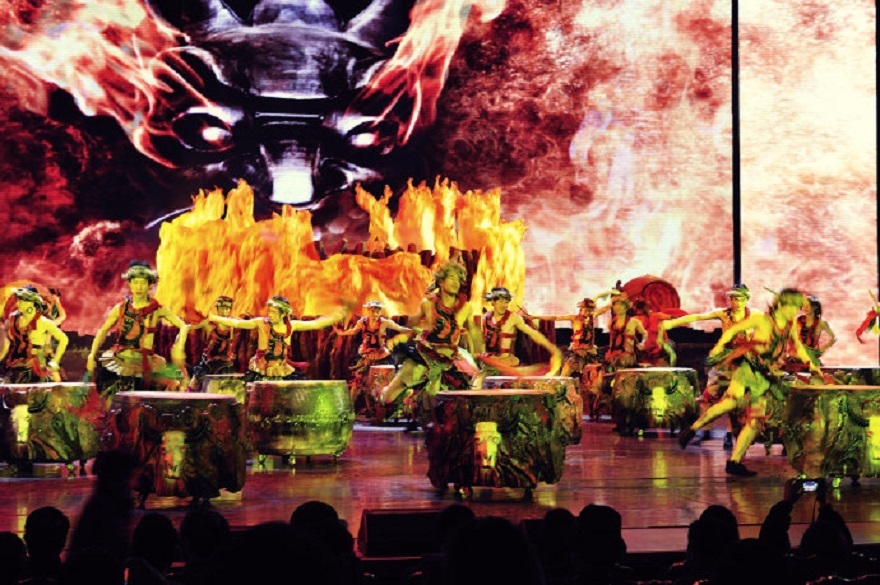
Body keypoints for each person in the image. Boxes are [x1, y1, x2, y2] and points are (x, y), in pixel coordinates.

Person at [679, 288, 824, 476]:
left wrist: (811, 365)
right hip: (747, 369)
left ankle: (734, 461)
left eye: (797, 307)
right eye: (793, 306)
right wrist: (719, 347)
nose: (796, 311)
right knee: (731, 402)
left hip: (764, 376)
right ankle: (692, 429)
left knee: (755, 422)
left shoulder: (789, 325)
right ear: (782, 305)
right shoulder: (762, 320)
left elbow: (797, 346)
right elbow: (734, 330)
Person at [379, 260, 483, 423]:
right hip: (424, 355)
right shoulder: (427, 304)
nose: (456, 282)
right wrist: (400, 340)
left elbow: (474, 332)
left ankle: (431, 412)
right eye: (451, 278)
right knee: (387, 398)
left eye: (458, 279)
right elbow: (411, 328)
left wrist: (479, 351)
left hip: (450, 359)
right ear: (440, 281)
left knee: (473, 381)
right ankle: (406, 399)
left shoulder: (466, 307)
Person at [660, 283, 756, 448]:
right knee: (709, 396)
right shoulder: (724, 314)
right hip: (724, 361)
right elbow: (698, 317)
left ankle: (729, 434)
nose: (736, 302)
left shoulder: (755, 316)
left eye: (740, 299)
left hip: (743, 362)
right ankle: (705, 429)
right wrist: (672, 324)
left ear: (746, 299)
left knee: (735, 400)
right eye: (734, 299)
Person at [86, 261, 188, 396]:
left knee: (160, 391)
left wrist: (179, 346)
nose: (139, 287)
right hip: (120, 361)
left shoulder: (158, 310)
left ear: (149, 285)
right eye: (135, 282)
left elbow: (183, 326)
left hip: (145, 365)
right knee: (103, 391)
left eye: (143, 283)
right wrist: (91, 354)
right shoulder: (120, 308)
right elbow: (103, 331)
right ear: (130, 284)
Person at [208, 295, 349, 381]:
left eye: (274, 312)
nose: (270, 314)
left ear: (283, 314)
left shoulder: (291, 326)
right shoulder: (261, 324)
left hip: (281, 369)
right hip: (262, 369)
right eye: (269, 311)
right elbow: (237, 323)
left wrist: (336, 316)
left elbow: (316, 324)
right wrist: (213, 317)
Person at [334, 300, 412, 408]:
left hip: (381, 356)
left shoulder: (385, 322)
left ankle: (380, 407)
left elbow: (399, 328)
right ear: (369, 311)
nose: (375, 314)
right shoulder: (362, 322)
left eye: (377, 311)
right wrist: (341, 333)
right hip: (366, 355)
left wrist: (413, 331)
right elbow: (354, 331)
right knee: (358, 380)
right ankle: (351, 407)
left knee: (381, 381)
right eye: (373, 311)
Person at [476, 286, 562, 379]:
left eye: (506, 302)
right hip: (488, 364)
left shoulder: (513, 318)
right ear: (493, 301)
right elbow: (482, 340)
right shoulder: (485, 318)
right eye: (501, 301)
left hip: (505, 364)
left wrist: (551, 347)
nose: (504, 305)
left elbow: (533, 333)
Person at [0, 286, 69, 383]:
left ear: (32, 302)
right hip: (16, 363)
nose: (18, 304)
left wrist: (55, 361)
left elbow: (63, 339)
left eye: (22, 301)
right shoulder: (13, 319)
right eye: (18, 300)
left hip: (36, 366)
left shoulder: (43, 322)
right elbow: (8, 342)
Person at [185, 295, 239, 390]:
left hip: (225, 363)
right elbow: (191, 327)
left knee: (223, 389)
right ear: (217, 308)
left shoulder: (233, 323)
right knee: (193, 385)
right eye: (222, 308)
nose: (225, 311)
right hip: (208, 361)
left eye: (227, 308)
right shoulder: (209, 322)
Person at [784, 294, 836, 372]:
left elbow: (833, 337)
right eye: (804, 305)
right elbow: (789, 337)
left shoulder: (821, 322)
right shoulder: (797, 321)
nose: (805, 308)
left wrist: (822, 350)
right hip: (797, 357)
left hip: (811, 357)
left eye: (808, 305)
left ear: (815, 307)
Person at [603, 292, 647, 371]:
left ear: (626, 307)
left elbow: (645, 334)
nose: (618, 307)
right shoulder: (611, 323)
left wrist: (642, 344)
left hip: (627, 358)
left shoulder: (633, 321)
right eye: (615, 305)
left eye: (621, 305)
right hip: (613, 358)